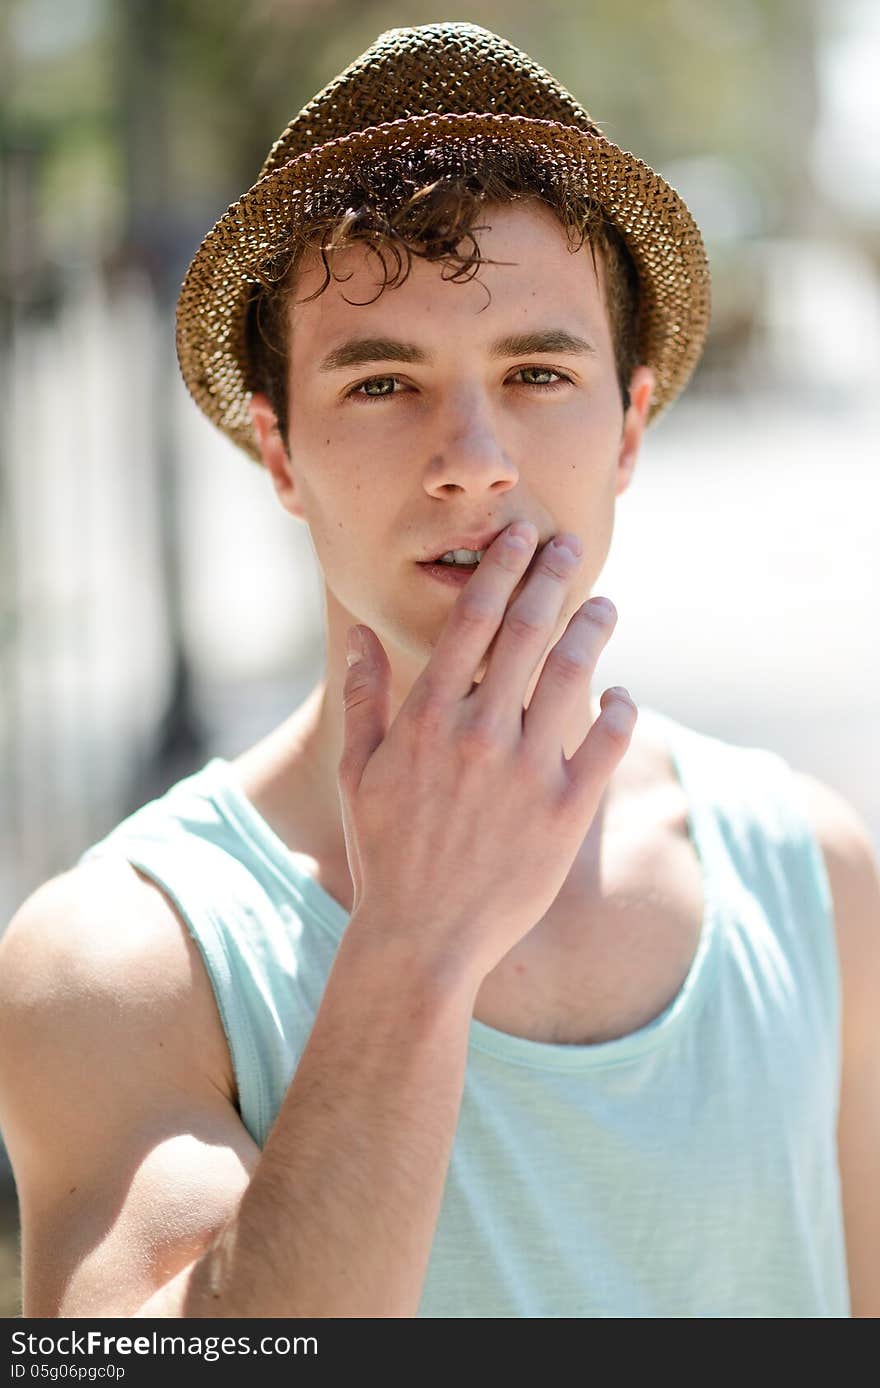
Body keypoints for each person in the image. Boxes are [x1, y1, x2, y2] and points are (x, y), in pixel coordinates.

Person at [0, 22, 877, 1320]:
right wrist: (413, 946)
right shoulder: (123, 962)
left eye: (536, 371)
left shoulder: (812, 880)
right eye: (381, 383)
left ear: (629, 427)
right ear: (279, 451)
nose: (472, 457)